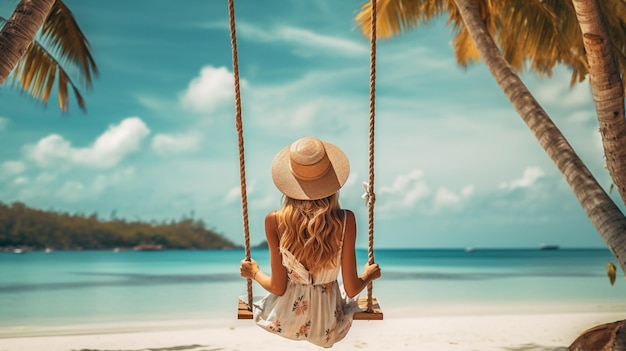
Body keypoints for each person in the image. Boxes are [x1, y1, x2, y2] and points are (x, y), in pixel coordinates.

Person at [239, 136, 382, 348]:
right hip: (329, 324)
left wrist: (254, 273)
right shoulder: (345, 220)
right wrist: (368, 275)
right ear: (332, 183)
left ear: (289, 183)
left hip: (285, 320)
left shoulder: (274, 220)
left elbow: (278, 288)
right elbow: (351, 290)